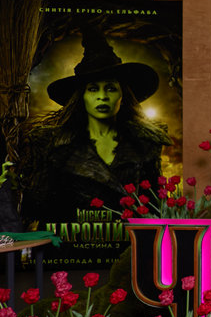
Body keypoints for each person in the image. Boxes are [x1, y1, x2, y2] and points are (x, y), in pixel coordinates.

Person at [19, 28, 169, 224]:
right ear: (82, 97)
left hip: (126, 239)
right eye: (93, 89)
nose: (102, 96)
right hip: (69, 240)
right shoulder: (52, 144)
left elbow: (155, 207)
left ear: (122, 96)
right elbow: (36, 207)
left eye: (110, 88)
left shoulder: (145, 144)